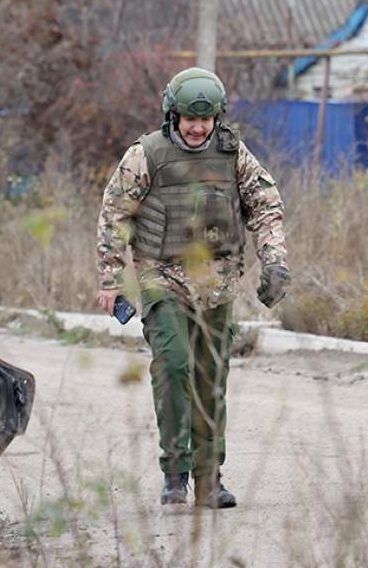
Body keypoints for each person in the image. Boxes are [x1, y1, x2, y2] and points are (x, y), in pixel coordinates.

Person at [95, 67, 290, 509]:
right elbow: (115, 214)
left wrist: (274, 261)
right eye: (189, 119)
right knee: (174, 365)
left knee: (211, 380)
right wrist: (110, 278)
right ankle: (174, 473)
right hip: (161, 277)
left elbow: (265, 205)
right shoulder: (146, 154)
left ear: (218, 117)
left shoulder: (232, 153)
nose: (198, 128)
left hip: (217, 282)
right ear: (173, 115)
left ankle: (209, 480)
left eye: (206, 120)